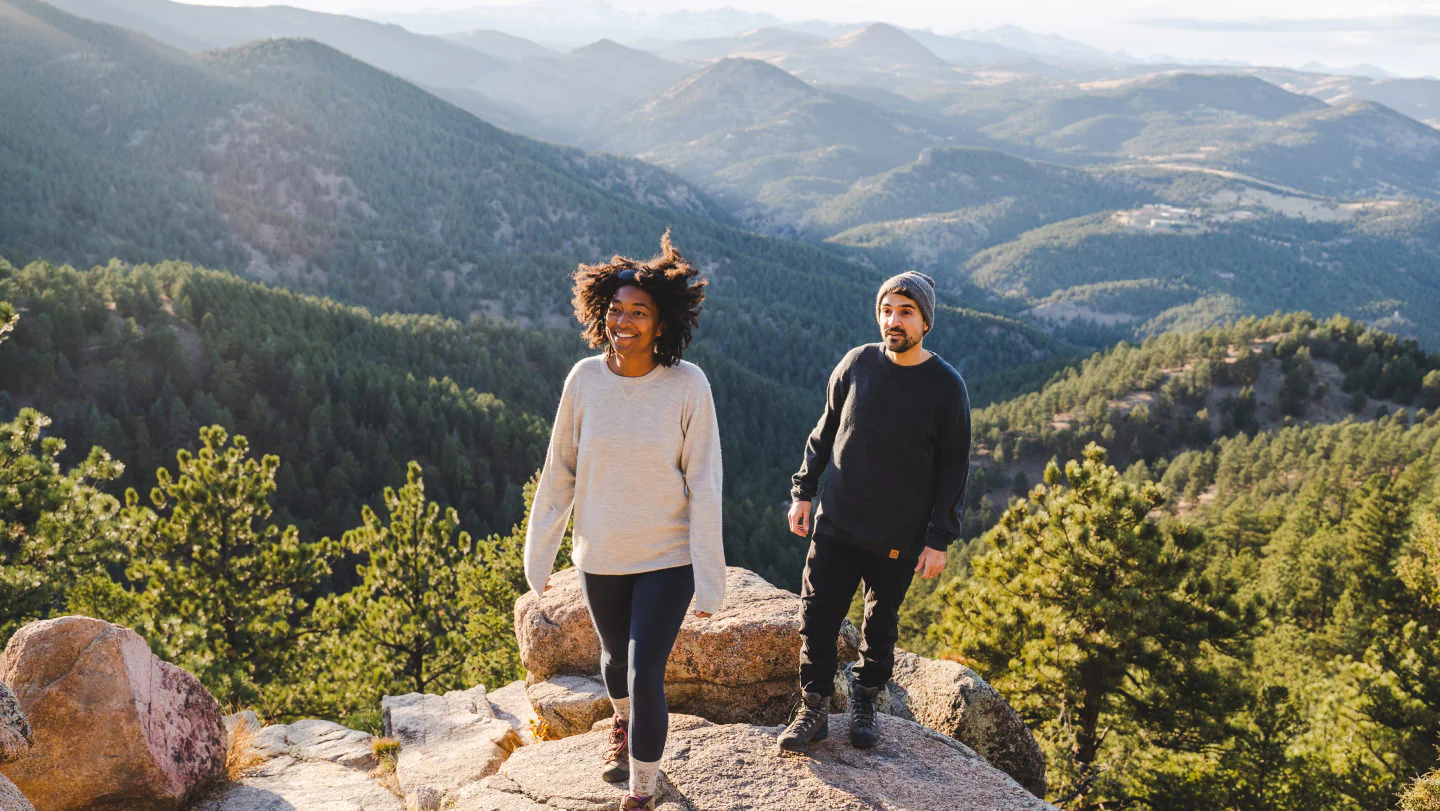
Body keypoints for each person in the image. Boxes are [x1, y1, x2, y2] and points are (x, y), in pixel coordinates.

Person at [523, 232, 725, 811]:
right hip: (601, 554)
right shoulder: (584, 380)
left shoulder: (688, 385)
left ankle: (642, 792)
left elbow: (704, 482)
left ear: (661, 324)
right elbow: (558, 469)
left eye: (639, 312)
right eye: (616, 310)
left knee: (643, 672)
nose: (625, 321)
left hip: (668, 558)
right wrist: (539, 558)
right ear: (600, 314)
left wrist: (710, 575)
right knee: (614, 663)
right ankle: (624, 727)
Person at [777, 270, 972, 752]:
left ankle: (865, 699)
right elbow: (823, 433)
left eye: (905, 312)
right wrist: (803, 492)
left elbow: (954, 469)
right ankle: (815, 707)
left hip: (897, 535)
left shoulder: (946, 387)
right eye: (887, 310)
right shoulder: (857, 363)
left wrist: (938, 538)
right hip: (836, 524)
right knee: (817, 617)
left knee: (879, 624)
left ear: (925, 321)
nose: (894, 320)